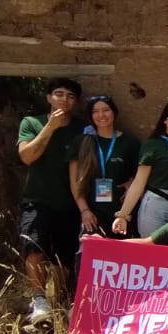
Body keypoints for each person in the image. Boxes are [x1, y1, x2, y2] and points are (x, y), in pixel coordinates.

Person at [17, 77, 83, 324]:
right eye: (59, 94)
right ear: (48, 97)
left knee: (65, 258)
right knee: (34, 249)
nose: (64, 99)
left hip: (70, 203)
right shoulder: (32, 122)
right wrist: (50, 127)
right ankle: (39, 300)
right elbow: (27, 156)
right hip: (38, 199)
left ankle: (62, 303)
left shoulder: (81, 129)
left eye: (70, 96)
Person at [111, 101, 168, 239]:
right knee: (154, 252)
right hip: (157, 204)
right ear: (164, 120)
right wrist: (123, 215)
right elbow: (139, 182)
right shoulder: (153, 145)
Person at [68, 94, 141, 240]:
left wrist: (132, 183)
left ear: (114, 112)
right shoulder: (81, 142)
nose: (101, 115)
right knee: (88, 254)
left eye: (106, 110)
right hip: (92, 212)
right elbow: (75, 182)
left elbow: (140, 175)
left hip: (121, 212)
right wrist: (85, 211)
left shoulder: (129, 142)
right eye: (95, 111)